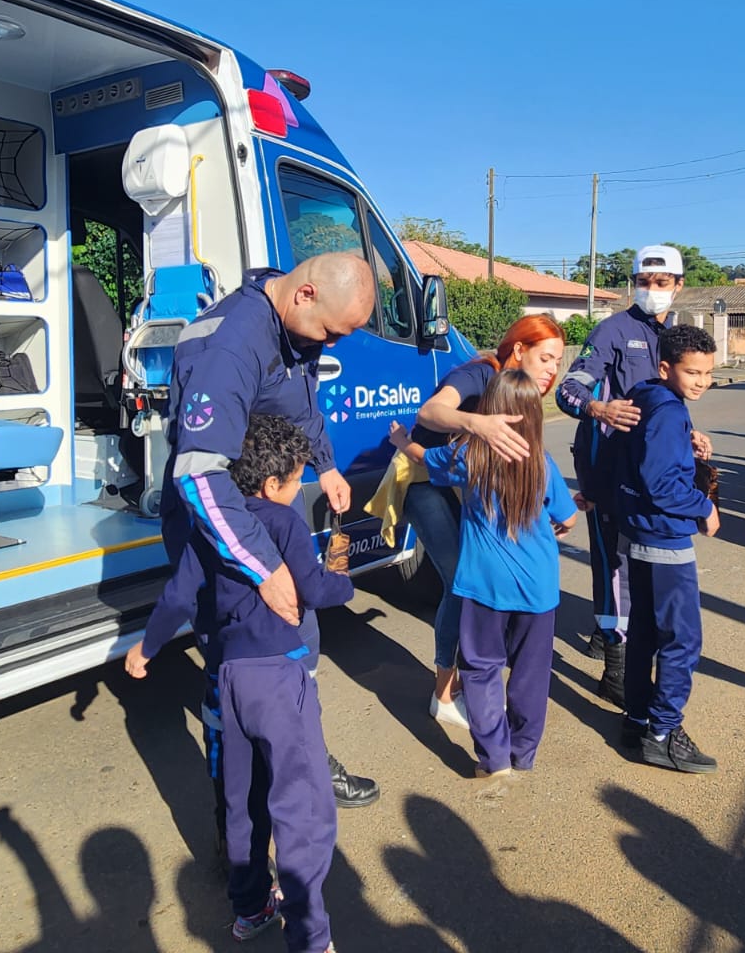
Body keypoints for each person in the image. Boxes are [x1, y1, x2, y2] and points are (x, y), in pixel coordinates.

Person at [161, 251, 380, 809]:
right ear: (306, 294)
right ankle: (235, 809)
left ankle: (300, 757)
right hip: (218, 527)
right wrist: (266, 570)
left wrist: (325, 464)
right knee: (232, 667)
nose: (331, 345)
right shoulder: (232, 345)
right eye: (332, 332)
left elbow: (300, 409)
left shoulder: (294, 329)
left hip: (259, 517)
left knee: (296, 643)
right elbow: (200, 476)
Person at [129, 416, 350, 953]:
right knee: (301, 807)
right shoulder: (283, 521)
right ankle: (311, 936)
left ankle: (250, 909)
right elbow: (316, 590)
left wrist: (146, 648)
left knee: (242, 801)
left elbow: (178, 598)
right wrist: (342, 577)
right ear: (274, 486)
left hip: (229, 679)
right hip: (281, 678)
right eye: (298, 481)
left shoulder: (215, 527)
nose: (298, 490)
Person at [390, 370, 579, 776]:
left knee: (480, 670)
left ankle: (493, 759)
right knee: (530, 675)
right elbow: (569, 518)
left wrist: (402, 441)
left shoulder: (469, 456)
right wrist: (554, 524)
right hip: (538, 589)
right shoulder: (542, 463)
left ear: (490, 411)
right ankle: (523, 754)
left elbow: (422, 457)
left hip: (483, 586)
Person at [557, 244, 710, 706]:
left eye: (662, 283)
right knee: (612, 564)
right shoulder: (612, 331)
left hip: (649, 470)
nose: (652, 290)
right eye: (644, 281)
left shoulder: (674, 334)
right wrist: (596, 406)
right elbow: (569, 390)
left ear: (678, 286)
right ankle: (615, 666)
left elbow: (665, 401)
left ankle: (614, 638)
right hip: (607, 467)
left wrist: (688, 433)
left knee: (640, 565)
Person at [403, 315, 566, 729]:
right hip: (428, 481)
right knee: (463, 580)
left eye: (558, 362)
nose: (553, 370)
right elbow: (431, 410)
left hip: (464, 483)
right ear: (518, 351)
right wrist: (477, 423)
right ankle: (444, 692)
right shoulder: (479, 374)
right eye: (546, 358)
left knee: (482, 578)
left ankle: (479, 682)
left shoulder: (519, 395)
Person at [615, 325, 721, 773]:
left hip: (640, 532)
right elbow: (659, 483)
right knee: (681, 640)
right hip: (665, 538)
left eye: (708, 373)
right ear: (665, 367)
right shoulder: (667, 412)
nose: (701, 381)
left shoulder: (650, 398)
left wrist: (690, 449)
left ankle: (637, 718)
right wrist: (704, 507)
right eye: (692, 372)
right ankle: (662, 732)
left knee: (643, 632)